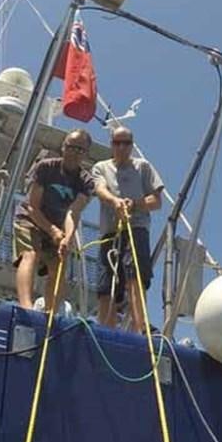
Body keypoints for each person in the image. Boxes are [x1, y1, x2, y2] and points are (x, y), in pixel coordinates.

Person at [12, 129, 96, 314]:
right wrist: (52, 231)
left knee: (58, 266)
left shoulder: (86, 182)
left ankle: (51, 313)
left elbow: (73, 212)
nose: (74, 152)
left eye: (80, 149)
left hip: (59, 226)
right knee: (30, 255)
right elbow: (33, 206)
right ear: (63, 147)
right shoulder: (46, 167)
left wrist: (67, 238)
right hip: (31, 218)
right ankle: (26, 308)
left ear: (86, 153)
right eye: (71, 147)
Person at [91, 125, 164, 330]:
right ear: (111, 144)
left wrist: (134, 204)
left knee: (135, 277)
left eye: (126, 143)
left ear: (132, 145)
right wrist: (115, 202)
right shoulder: (100, 167)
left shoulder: (143, 167)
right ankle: (106, 331)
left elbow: (156, 201)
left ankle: (138, 330)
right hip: (110, 232)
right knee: (106, 284)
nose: (122, 147)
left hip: (136, 229)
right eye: (117, 143)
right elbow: (100, 189)